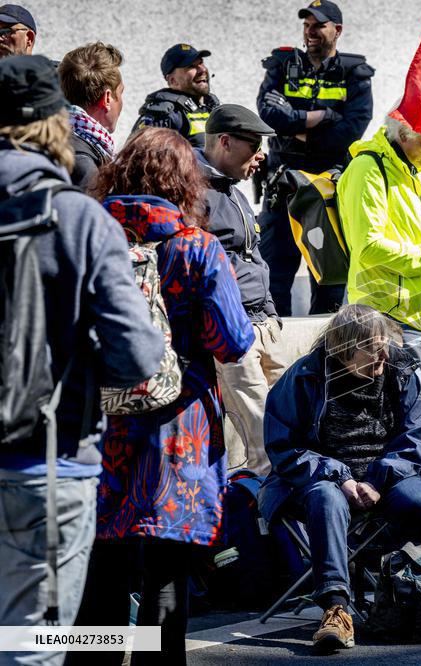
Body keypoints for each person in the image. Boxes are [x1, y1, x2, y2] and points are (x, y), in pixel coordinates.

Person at [0, 55, 163, 666]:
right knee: (29, 649)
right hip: (50, 462)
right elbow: (138, 357)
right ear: (54, 124)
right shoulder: (80, 219)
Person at [75, 127, 254, 665]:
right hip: (178, 431)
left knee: (101, 575)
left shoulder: (86, 239)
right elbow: (234, 342)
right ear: (184, 182)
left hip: (99, 426)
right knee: (165, 576)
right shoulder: (197, 248)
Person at [258, 303, 421, 651]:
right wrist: (341, 477)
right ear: (344, 349)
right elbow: (283, 446)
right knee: (326, 499)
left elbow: (416, 434)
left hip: (386, 474)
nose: (382, 357)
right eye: (372, 350)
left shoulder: (399, 370)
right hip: (322, 476)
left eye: (384, 348)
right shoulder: (303, 377)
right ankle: (335, 608)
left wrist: (377, 480)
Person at [338, 116, 421, 439]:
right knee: (413, 427)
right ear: (403, 133)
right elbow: (369, 248)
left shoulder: (417, 170)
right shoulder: (367, 169)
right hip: (393, 322)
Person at [257, 0, 374, 316]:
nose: (310, 31)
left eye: (318, 25)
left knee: (329, 275)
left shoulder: (354, 73)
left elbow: (352, 128)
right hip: (283, 184)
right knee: (273, 272)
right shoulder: (282, 65)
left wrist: (295, 128)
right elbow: (268, 114)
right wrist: (322, 116)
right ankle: (275, 347)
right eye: (306, 25)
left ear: (337, 31)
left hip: (328, 187)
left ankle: (324, 352)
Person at [198, 104, 286, 476]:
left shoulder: (233, 188)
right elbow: (205, 268)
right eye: (254, 143)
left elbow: (253, 257)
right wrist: (237, 324)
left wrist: (270, 312)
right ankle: (273, 523)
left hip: (263, 324)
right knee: (264, 439)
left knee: (287, 422)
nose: (261, 153)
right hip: (233, 333)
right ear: (225, 142)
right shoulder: (194, 190)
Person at [57, 42, 125, 187]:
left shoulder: (50, 136)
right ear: (107, 99)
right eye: (120, 93)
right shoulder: (83, 163)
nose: (121, 102)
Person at [132, 43, 219, 148]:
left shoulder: (212, 107)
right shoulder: (163, 115)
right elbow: (140, 159)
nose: (202, 70)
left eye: (201, 63)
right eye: (191, 66)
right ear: (173, 81)